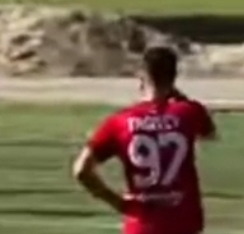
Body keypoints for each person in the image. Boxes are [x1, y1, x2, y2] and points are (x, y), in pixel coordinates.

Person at [73, 46, 217, 234]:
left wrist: (117, 202)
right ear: (174, 77)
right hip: (184, 221)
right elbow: (209, 133)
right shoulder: (190, 112)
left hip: (142, 223)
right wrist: (176, 94)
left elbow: (81, 170)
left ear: (141, 77)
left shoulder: (120, 121)